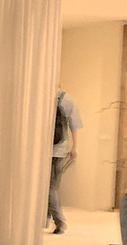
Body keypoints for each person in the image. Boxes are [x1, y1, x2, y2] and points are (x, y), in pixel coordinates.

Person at [48, 88, 82, 234]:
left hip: (42, 150)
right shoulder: (66, 99)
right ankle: (54, 220)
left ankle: (58, 220)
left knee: (48, 188)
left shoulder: (41, 95)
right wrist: (74, 147)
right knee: (52, 187)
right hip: (59, 149)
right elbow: (74, 124)